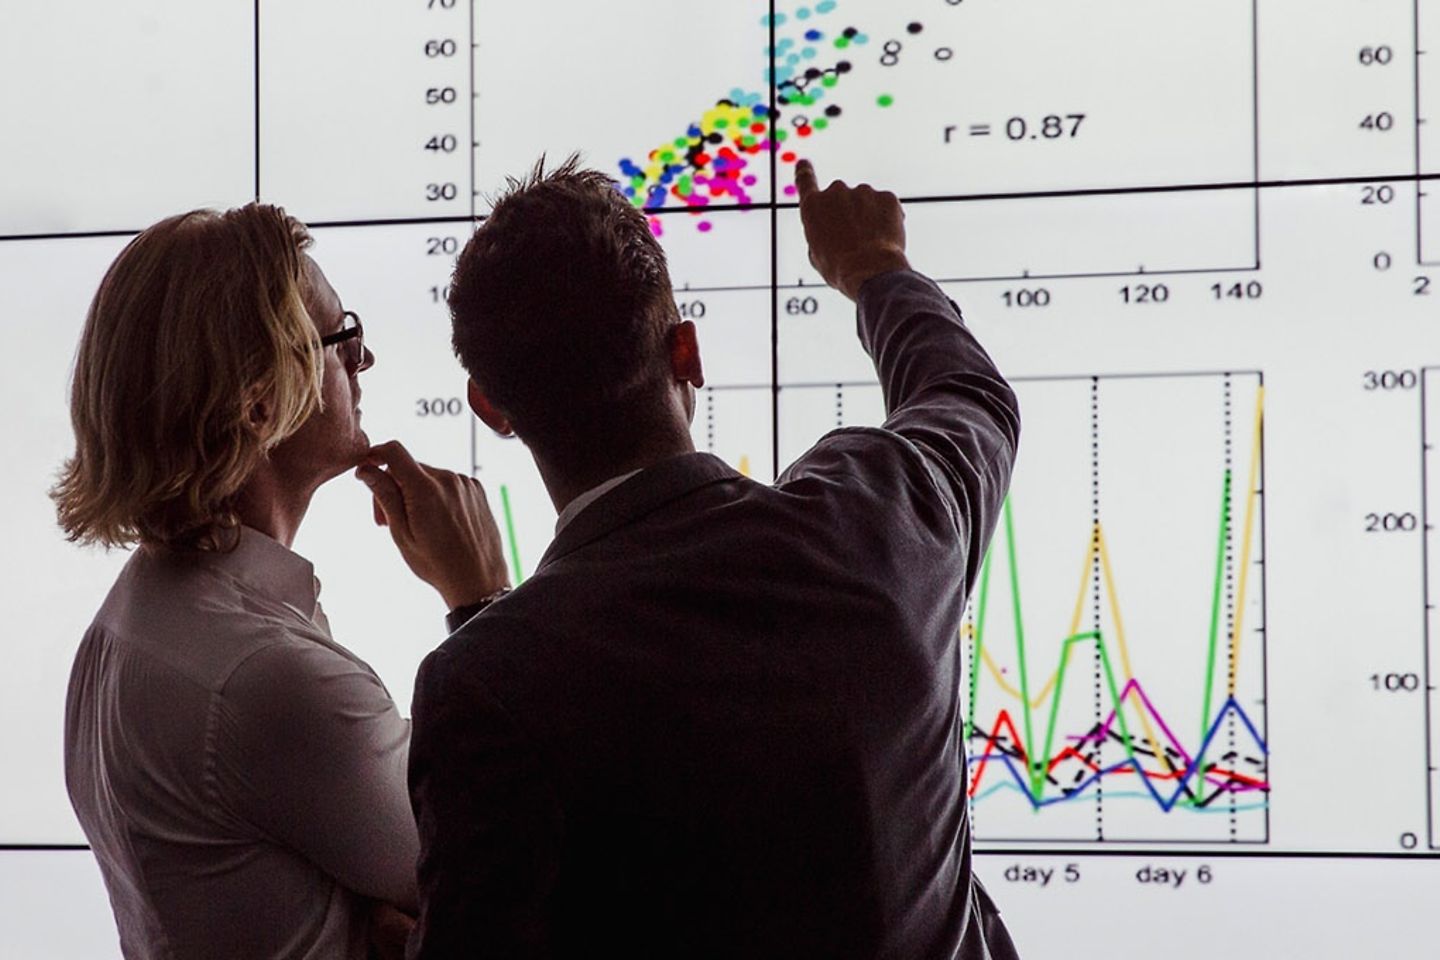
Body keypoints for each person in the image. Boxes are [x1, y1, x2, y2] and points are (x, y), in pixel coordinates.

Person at [360, 157, 1023, 957]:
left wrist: (480, 616)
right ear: (686, 354)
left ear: (491, 408)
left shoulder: (484, 681)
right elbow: (968, 397)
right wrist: (875, 270)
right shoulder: (879, 516)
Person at [53, 204, 505, 960]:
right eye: (341, 339)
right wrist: (481, 602)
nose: (365, 361)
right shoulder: (266, 678)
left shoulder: (126, 623)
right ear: (258, 399)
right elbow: (507, 881)